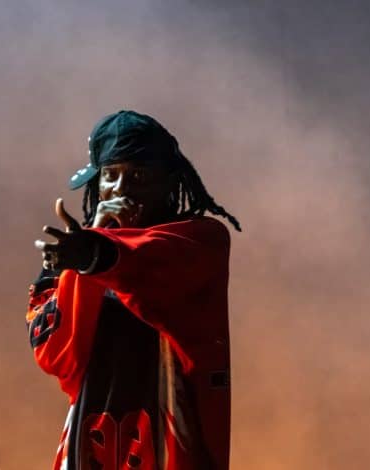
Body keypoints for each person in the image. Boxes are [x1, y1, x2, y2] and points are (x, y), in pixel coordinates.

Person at [26, 110, 241, 470]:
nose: (121, 190)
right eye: (110, 176)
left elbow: (149, 262)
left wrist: (97, 252)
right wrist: (82, 262)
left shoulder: (200, 239)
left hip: (168, 446)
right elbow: (56, 357)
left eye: (139, 176)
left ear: (169, 184)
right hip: (92, 445)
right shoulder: (71, 257)